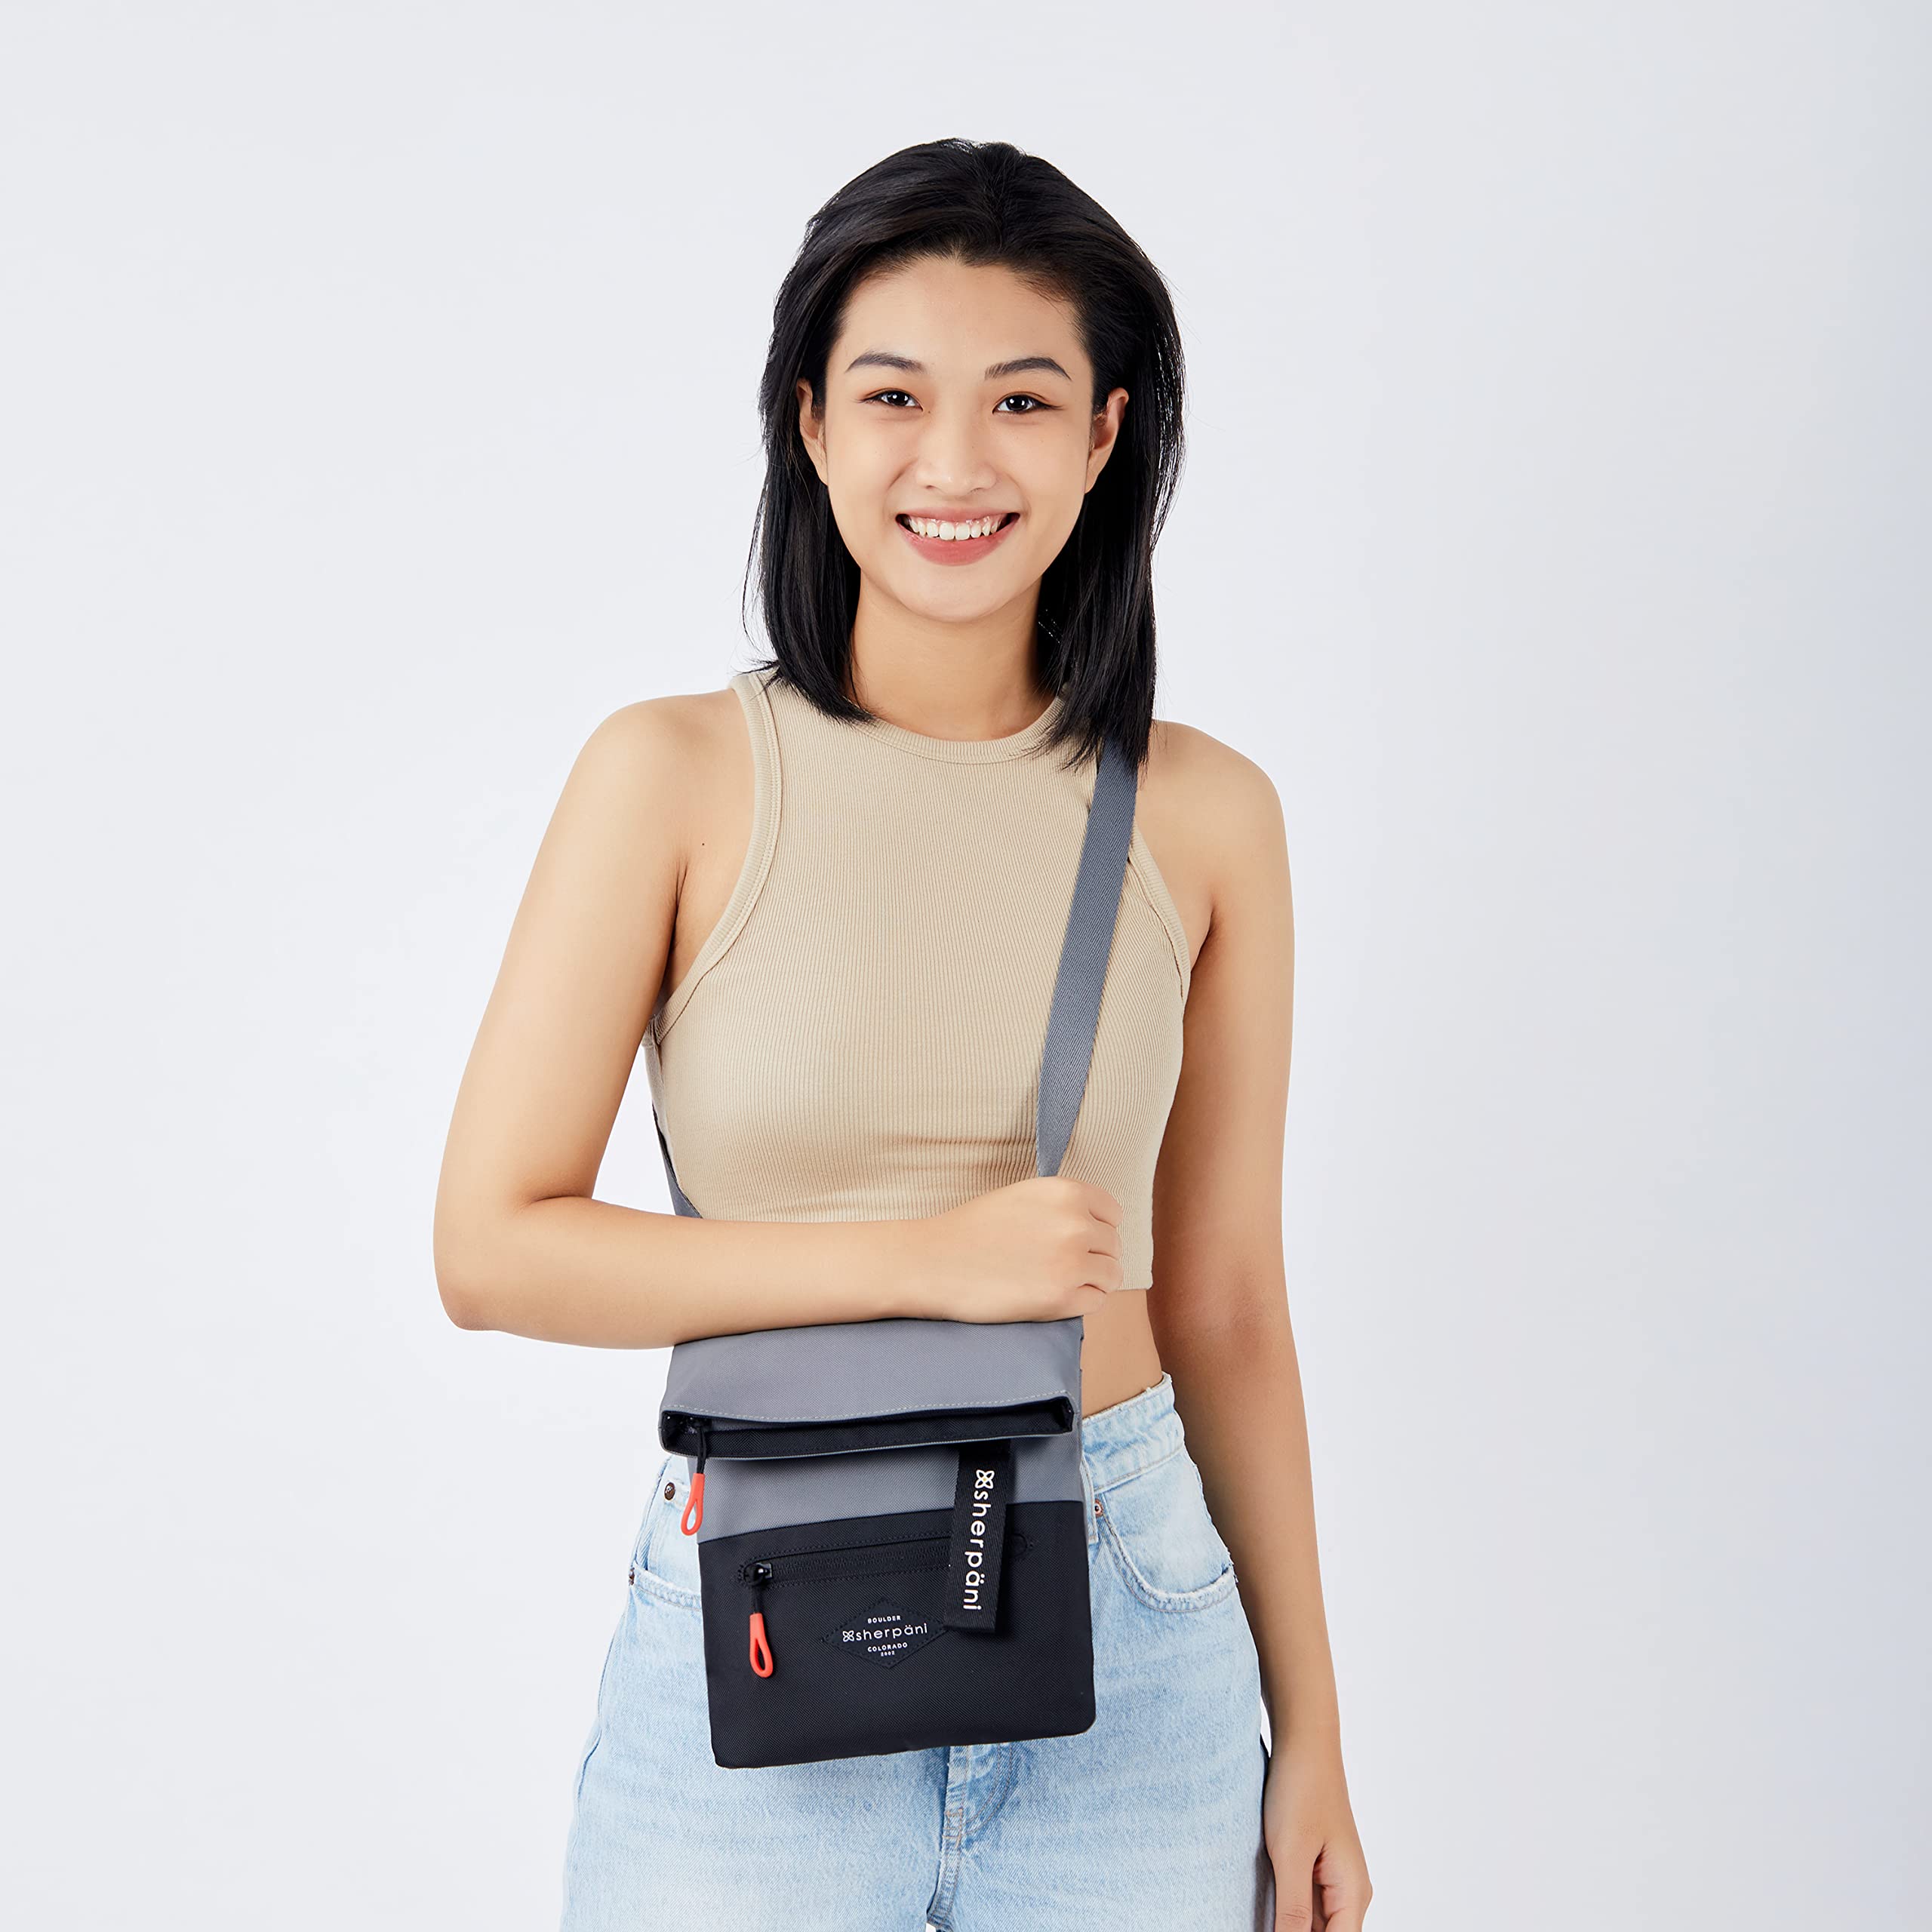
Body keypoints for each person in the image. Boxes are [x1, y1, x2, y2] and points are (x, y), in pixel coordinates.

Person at [433, 136, 1372, 1932]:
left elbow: (1229, 1302)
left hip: (1134, 1633)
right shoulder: (672, 775)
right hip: (762, 1607)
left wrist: (1311, 1725)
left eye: (1020, 399)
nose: (952, 462)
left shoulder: (1204, 813)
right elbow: (491, 1247)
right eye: (892, 395)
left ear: (1103, 437)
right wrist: (926, 1261)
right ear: (808, 422)